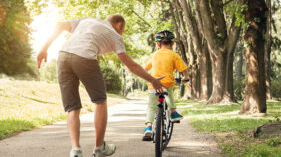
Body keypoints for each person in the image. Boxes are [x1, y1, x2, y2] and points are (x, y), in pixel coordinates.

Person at [36, 15, 165, 157]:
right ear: (119, 25)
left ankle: (76, 151)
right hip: (84, 57)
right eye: (123, 29)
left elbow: (59, 25)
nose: (122, 33)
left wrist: (44, 49)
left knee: (72, 107)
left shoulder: (86, 20)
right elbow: (132, 66)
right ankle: (99, 148)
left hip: (63, 56)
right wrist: (152, 80)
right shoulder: (115, 36)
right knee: (100, 101)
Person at [143, 30, 189, 140]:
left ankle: (149, 127)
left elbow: (145, 68)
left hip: (154, 83)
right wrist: (186, 78)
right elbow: (183, 69)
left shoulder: (154, 55)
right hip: (167, 83)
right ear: (172, 44)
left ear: (157, 44)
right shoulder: (174, 55)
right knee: (170, 95)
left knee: (151, 106)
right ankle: (173, 113)